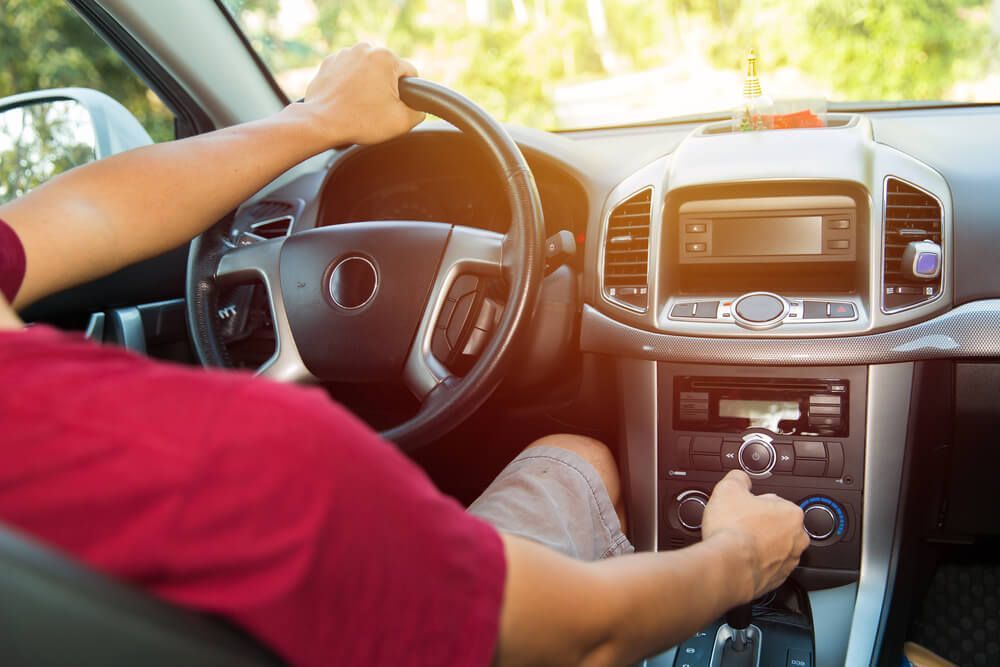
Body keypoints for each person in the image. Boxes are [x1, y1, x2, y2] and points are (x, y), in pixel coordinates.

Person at [0, 44, 808, 666]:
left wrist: (317, 119)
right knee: (581, 460)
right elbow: (585, 636)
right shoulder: (250, 466)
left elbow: (79, 217)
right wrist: (741, 558)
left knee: (574, 461)